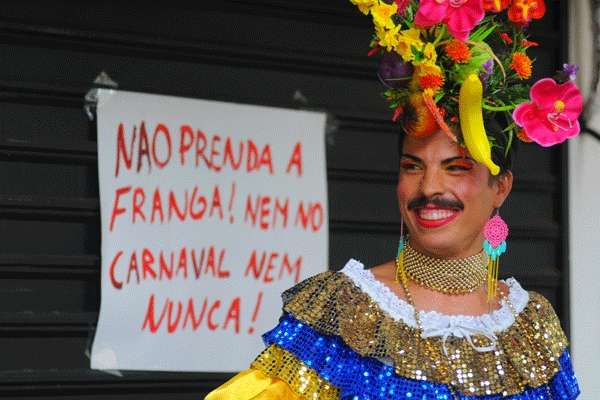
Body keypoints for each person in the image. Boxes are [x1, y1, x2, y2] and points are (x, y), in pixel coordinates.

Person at [206, 1, 581, 398]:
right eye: (412, 166)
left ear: (501, 188)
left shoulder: (532, 325)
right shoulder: (343, 310)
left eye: (456, 167)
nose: (428, 187)